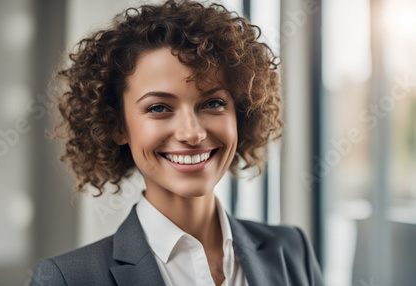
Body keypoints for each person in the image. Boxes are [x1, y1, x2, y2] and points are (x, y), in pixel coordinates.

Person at [31, 0, 324, 285]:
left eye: (212, 103)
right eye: (159, 108)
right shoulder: (68, 279)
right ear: (117, 126)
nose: (192, 133)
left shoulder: (291, 251)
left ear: (241, 111)